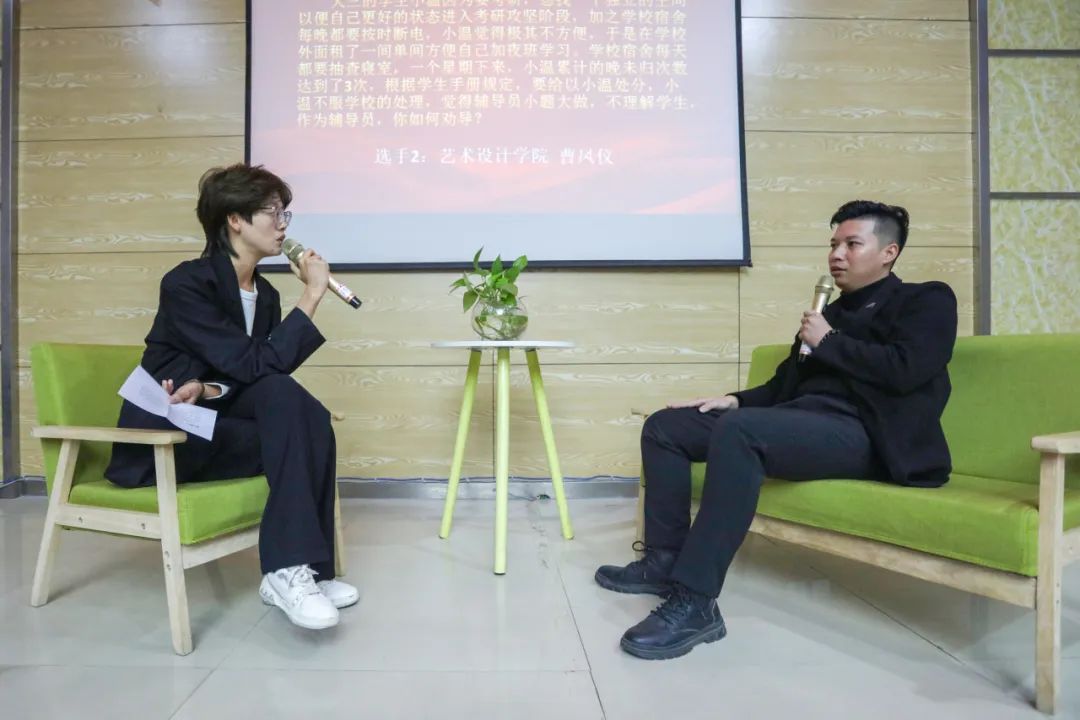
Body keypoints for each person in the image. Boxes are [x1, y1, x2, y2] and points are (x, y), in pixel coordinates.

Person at [595, 200, 958, 660]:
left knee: (741, 432)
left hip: (868, 435)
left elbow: (907, 369)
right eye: (833, 244)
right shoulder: (828, 315)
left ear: (889, 252)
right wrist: (735, 399)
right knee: (666, 427)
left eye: (852, 244)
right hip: (803, 424)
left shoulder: (926, 300)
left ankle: (696, 602)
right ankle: (664, 561)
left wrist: (828, 340)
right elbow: (785, 385)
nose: (836, 254)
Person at [105, 163, 357, 630]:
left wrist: (207, 387)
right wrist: (313, 294)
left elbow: (253, 376)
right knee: (293, 411)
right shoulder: (187, 284)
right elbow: (253, 364)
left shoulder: (266, 296)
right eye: (273, 212)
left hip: (219, 426)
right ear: (235, 220)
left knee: (303, 413)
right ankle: (288, 568)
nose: (282, 225)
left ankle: (304, 572)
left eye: (285, 214)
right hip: (168, 437)